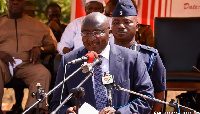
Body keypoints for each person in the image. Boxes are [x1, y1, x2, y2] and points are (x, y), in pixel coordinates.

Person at [50, 12, 154, 114]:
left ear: (109, 33)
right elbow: (56, 104)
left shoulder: (131, 58)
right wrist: (66, 111)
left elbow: (147, 98)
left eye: (97, 32)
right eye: (86, 33)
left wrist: (120, 112)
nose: (91, 38)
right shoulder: (70, 61)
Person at [0, 0, 55, 113]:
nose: (15, 2)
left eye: (19, 0)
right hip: (2, 63)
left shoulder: (38, 25)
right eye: (12, 0)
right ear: (7, 3)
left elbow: (51, 46)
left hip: (29, 63)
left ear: (24, 3)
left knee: (43, 73)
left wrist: (40, 49)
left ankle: (34, 109)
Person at [111, 0, 166, 113]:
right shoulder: (103, 55)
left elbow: (159, 93)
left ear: (137, 27)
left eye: (127, 22)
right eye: (116, 22)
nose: (121, 26)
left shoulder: (150, 56)